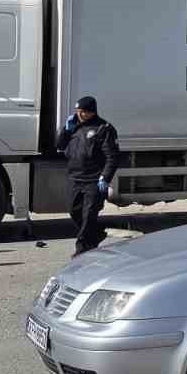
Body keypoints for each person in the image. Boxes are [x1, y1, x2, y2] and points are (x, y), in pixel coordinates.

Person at [56, 95, 120, 255]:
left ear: (92, 111)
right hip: (75, 178)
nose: (79, 114)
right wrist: (65, 130)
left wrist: (105, 177)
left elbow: (112, 157)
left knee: (88, 215)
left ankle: (82, 249)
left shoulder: (103, 128)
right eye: (78, 111)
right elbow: (60, 145)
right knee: (74, 211)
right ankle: (96, 233)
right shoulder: (75, 127)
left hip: (94, 179)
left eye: (83, 111)